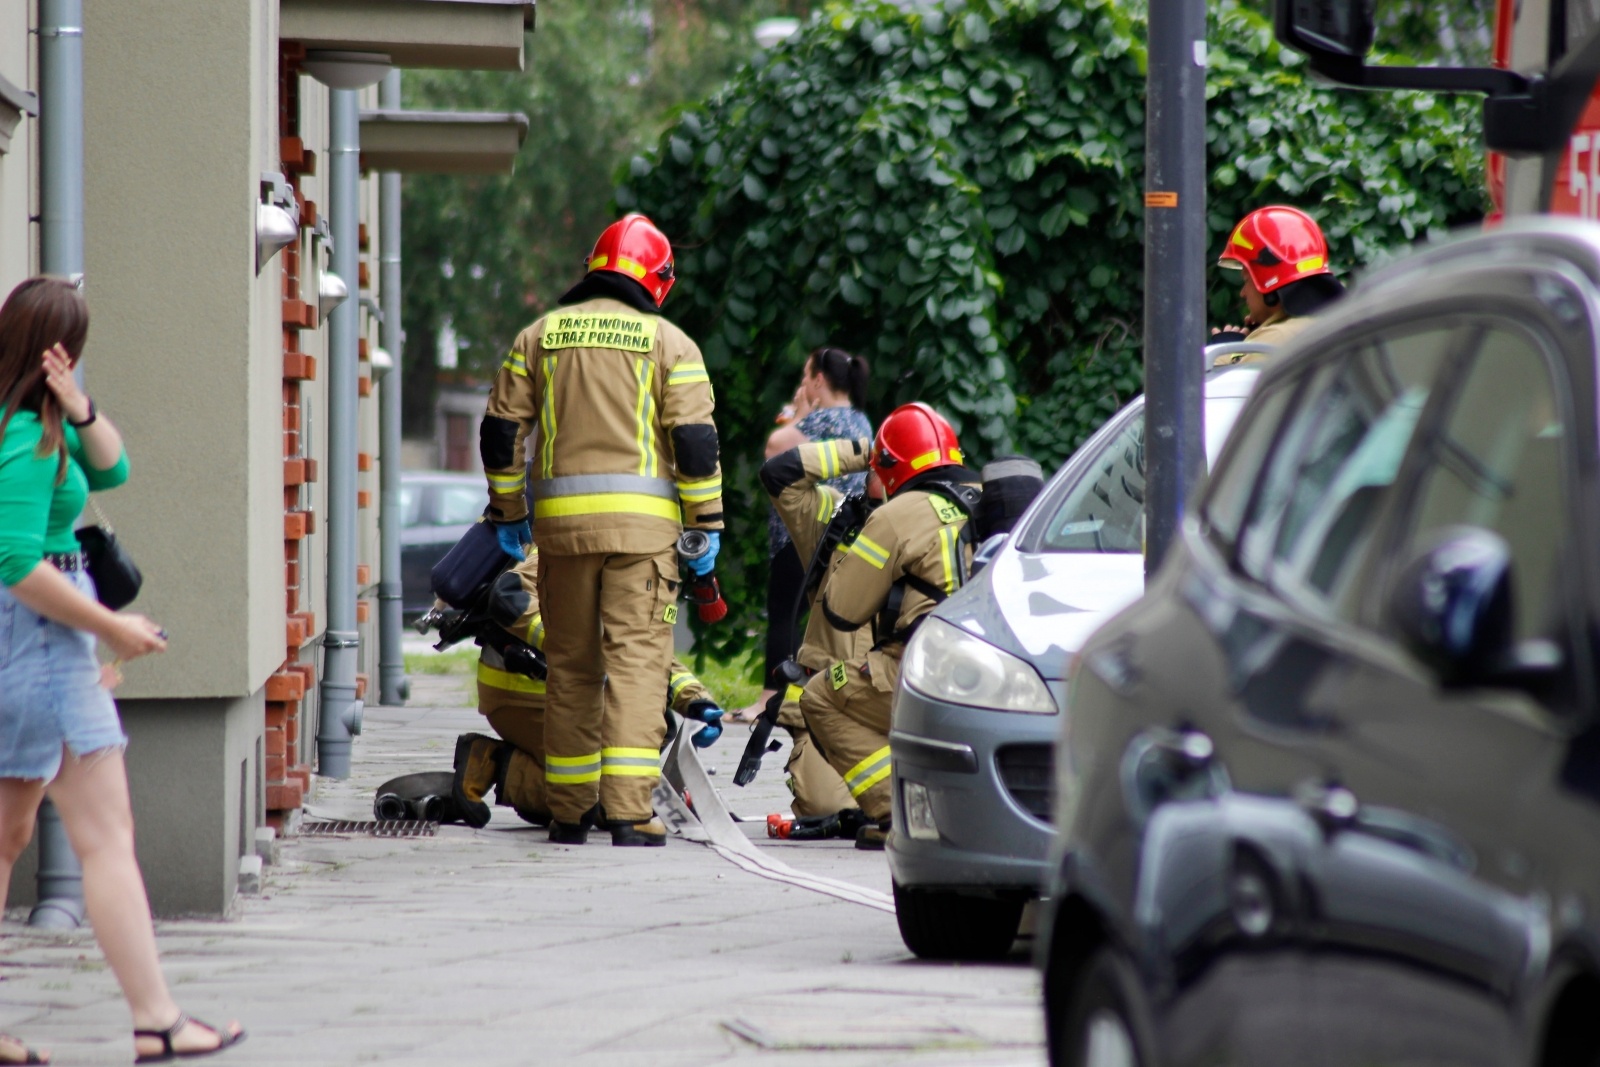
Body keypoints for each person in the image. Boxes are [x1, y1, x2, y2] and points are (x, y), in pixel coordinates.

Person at [0, 278, 244, 1064]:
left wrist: (78, 402)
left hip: (40, 642)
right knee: (107, 837)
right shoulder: (25, 441)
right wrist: (114, 631)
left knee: (7, 836)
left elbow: (114, 471)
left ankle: (153, 1017)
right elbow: (15, 562)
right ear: (58, 343)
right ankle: (156, 1019)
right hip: (44, 638)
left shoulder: (41, 425)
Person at [478, 214, 723, 848]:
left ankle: (567, 811)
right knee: (639, 666)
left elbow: (503, 432)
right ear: (659, 280)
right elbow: (695, 447)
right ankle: (627, 812)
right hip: (644, 542)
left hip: (561, 538)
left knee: (572, 670)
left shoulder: (539, 335)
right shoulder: (672, 345)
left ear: (594, 268)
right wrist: (705, 529)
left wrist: (509, 514)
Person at [448, 547, 724, 828]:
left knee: (645, 748)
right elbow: (509, 597)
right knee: (613, 803)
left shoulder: (641, 558)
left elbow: (643, 647)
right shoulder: (584, 540)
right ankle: (493, 763)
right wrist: (575, 647)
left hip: (567, 692)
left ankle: (542, 779)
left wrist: (694, 699)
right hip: (524, 690)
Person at [807, 403, 979, 850]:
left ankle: (899, 813)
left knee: (820, 696)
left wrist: (858, 541)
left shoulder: (896, 514)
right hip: (991, 677)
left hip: (925, 675)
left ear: (887, 466)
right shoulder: (989, 499)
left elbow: (842, 610)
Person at [758, 433, 887, 824]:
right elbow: (779, 474)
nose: (883, 474)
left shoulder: (937, 534)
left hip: (893, 699)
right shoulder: (835, 518)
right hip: (829, 700)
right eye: (882, 467)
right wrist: (868, 451)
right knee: (825, 809)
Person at [740, 347, 873, 722]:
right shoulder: (860, 421)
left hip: (799, 531)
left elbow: (775, 450)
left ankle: (771, 698)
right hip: (844, 534)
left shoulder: (822, 419)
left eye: (804, 377)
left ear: (818, 380)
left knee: (784, 614)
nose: (801, 385)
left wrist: (798, 416)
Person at [1211, 205, 1345, 362]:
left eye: (1247, 281)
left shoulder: (1278, 337)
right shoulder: (1327, 325)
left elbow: (1226, 385)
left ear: (1268, 280)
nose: (1243, 293)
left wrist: (1224, 353)